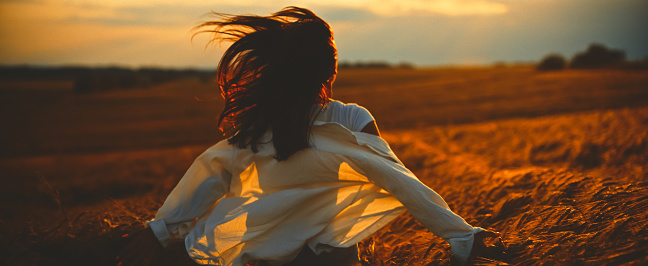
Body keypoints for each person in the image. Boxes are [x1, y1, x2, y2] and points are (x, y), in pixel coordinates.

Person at [119, 6, 499, 266]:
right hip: (330, 257)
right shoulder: (351, 119)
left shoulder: (256, 125)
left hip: (261, 255)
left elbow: (208, 176)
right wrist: (461, 235)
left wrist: (160, 231)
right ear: (330, 71)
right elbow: (399, 181)